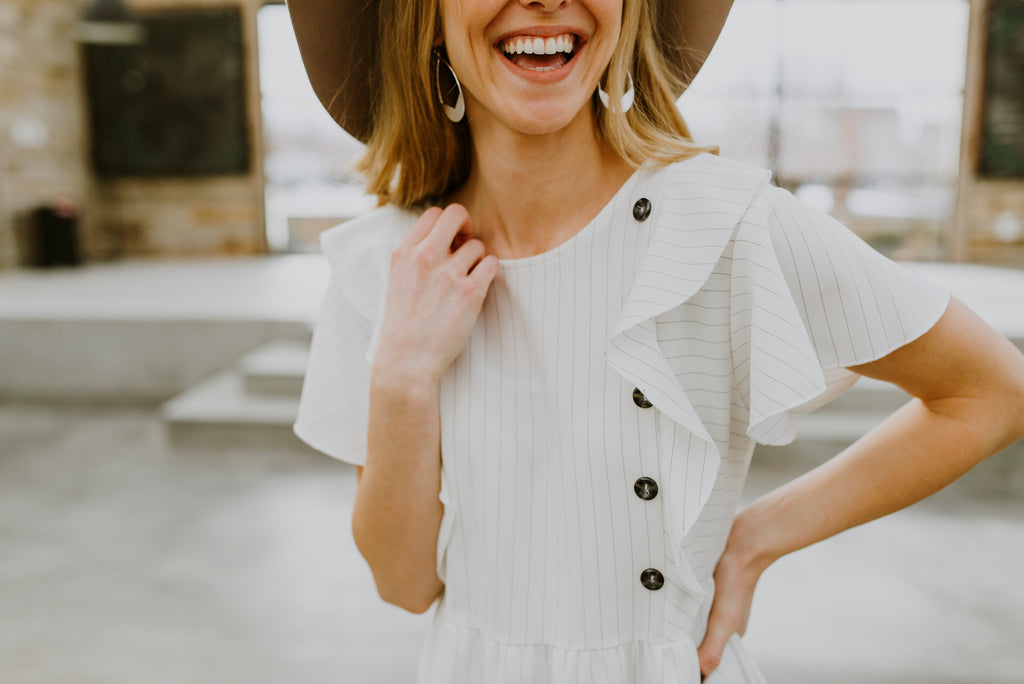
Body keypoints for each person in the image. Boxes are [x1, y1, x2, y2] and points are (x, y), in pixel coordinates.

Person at [287, 0, 1024, 681]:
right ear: (428, 16)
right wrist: (402, 376)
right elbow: (404, 583)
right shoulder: (393, 263)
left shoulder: (726, 226)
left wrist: (754, 539)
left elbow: (990, 392)